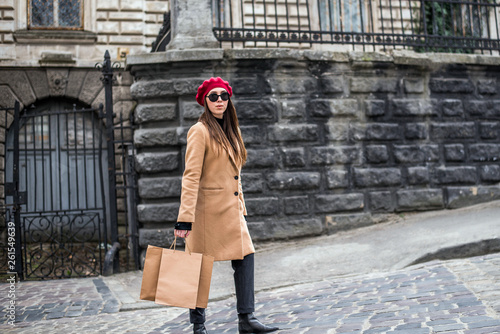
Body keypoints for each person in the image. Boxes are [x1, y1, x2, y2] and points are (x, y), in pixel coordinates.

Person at [174, 77, 279, 334]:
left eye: (223, 96)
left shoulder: (232, 130)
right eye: (213, 97)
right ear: (205, 102)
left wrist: (241, 205)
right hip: (206, 213)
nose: (219, 100)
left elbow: (234, 174)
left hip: (231, 211)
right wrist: (184, 218)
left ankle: (247, 319)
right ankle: (199, 326)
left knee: (246, 257)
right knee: (198, 267)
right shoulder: (199, 131)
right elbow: (191, 176)